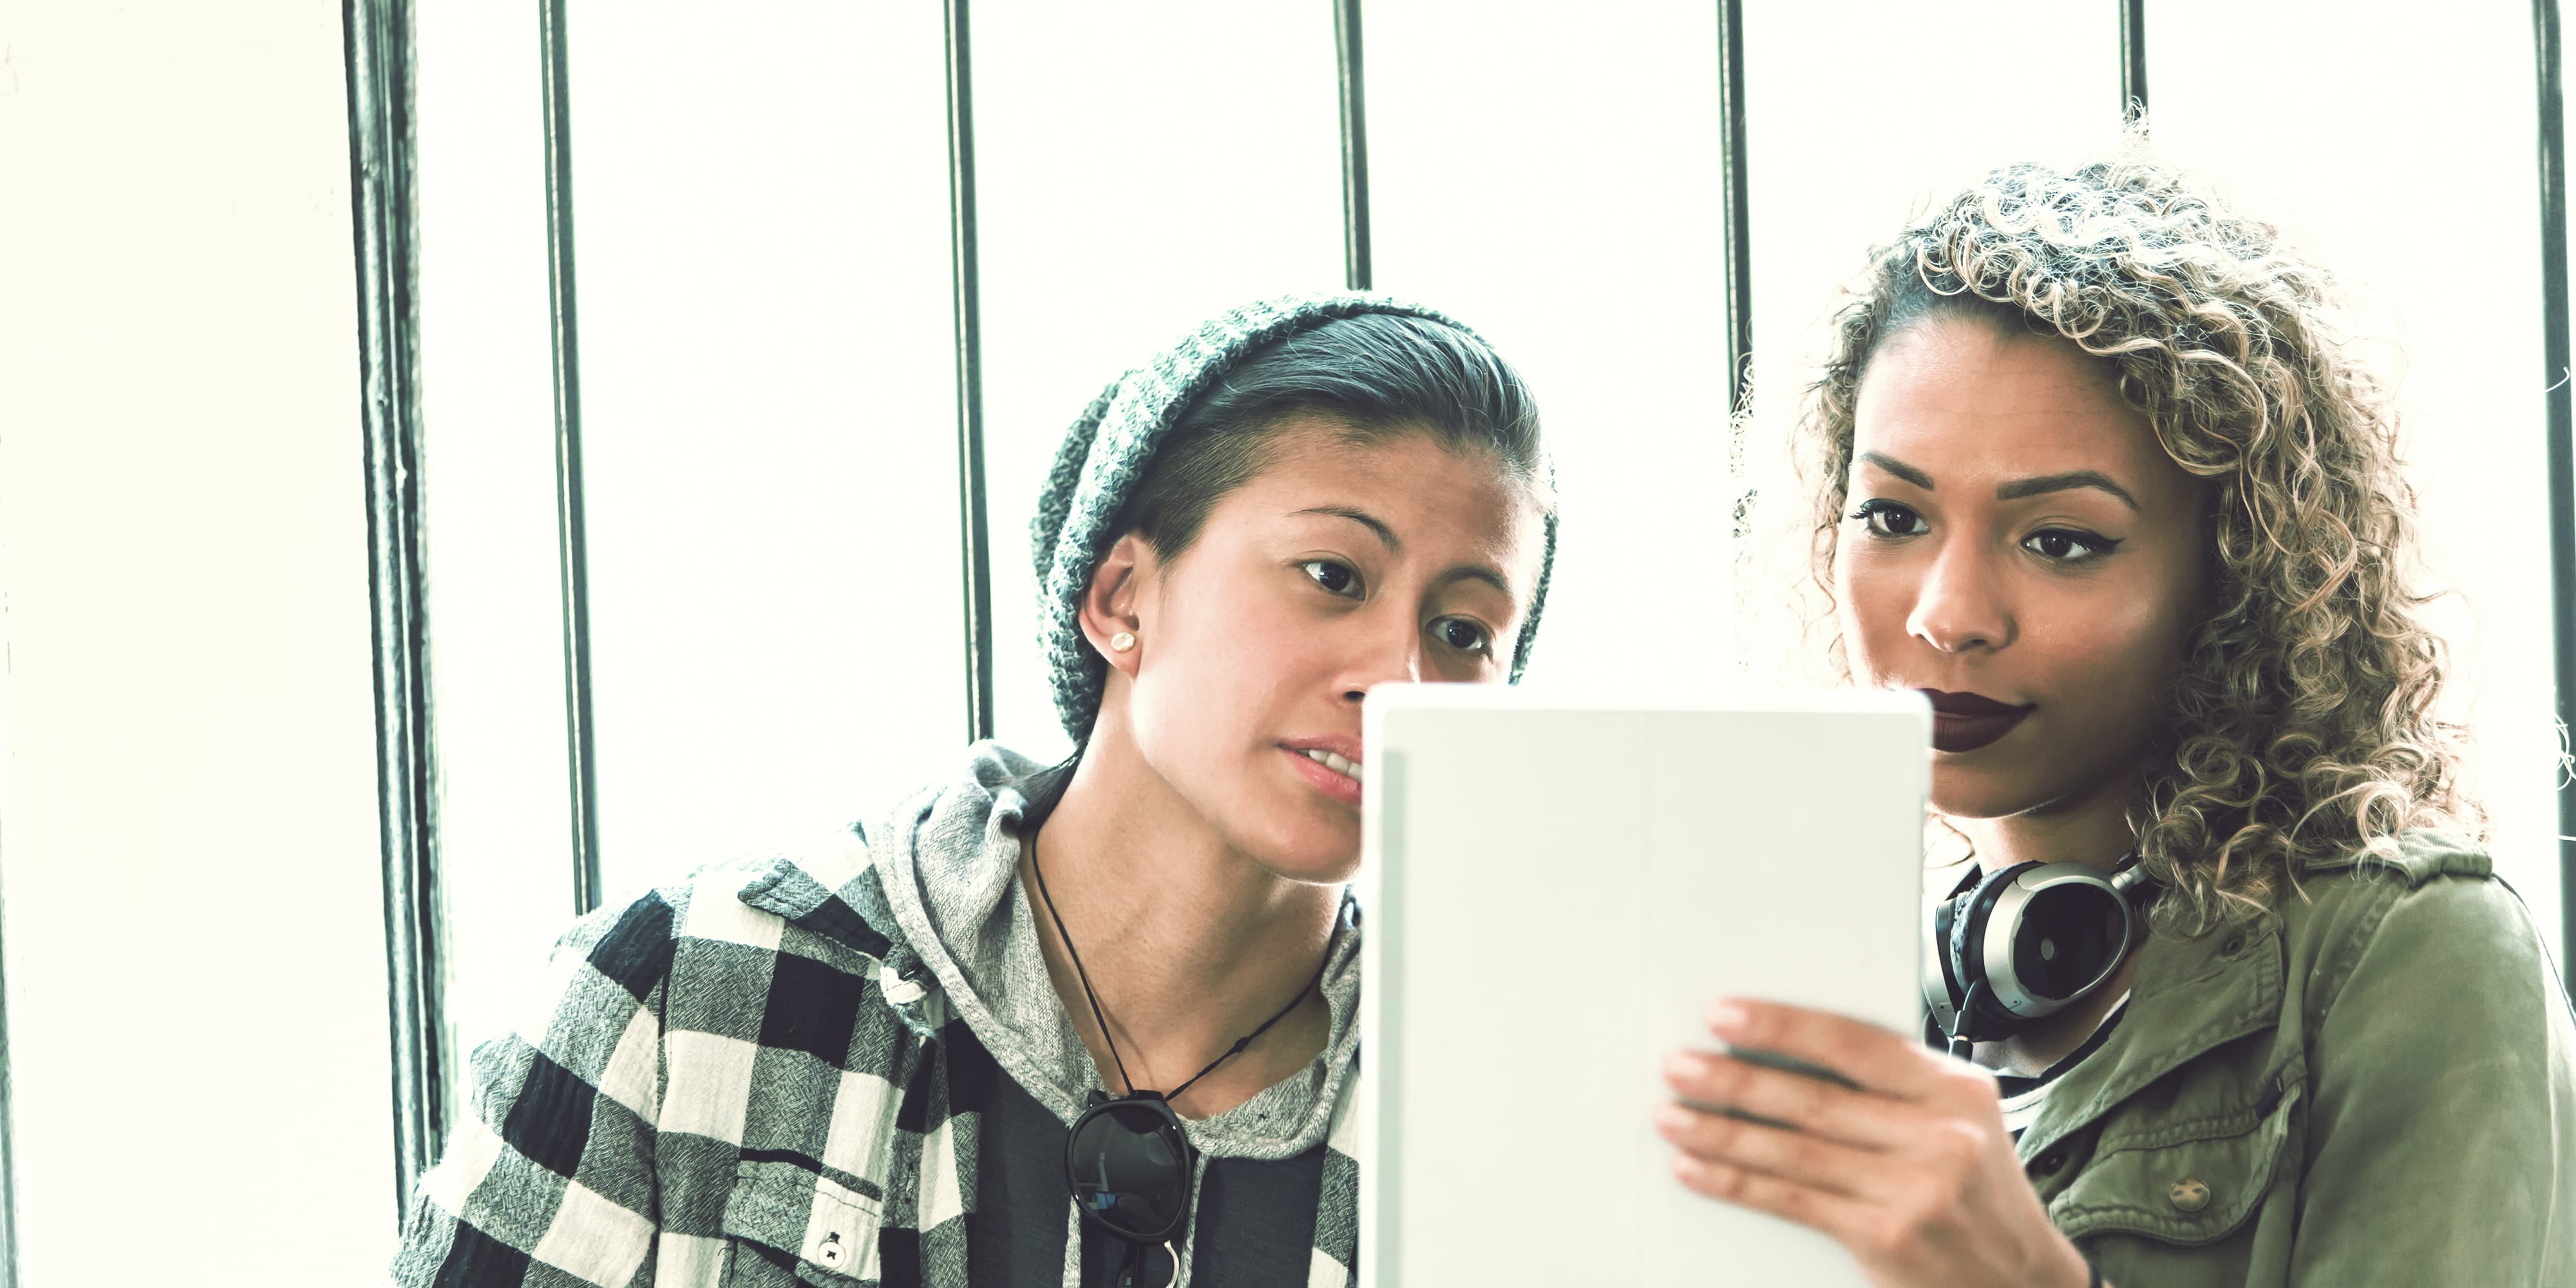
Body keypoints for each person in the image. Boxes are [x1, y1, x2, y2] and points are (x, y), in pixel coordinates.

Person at [387, 293, 1556, 1287]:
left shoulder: (1521, 1096)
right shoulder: (686, 985)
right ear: (1119, 597)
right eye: (1332, 575)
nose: (1399, 677)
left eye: (1464, 631)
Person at [1654, 155, 2576, 1285]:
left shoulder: (2408, 953)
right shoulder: (1842, 976)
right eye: (1892, 515)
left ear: (2233, 573)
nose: (1949, 616)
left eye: (2061, 541)